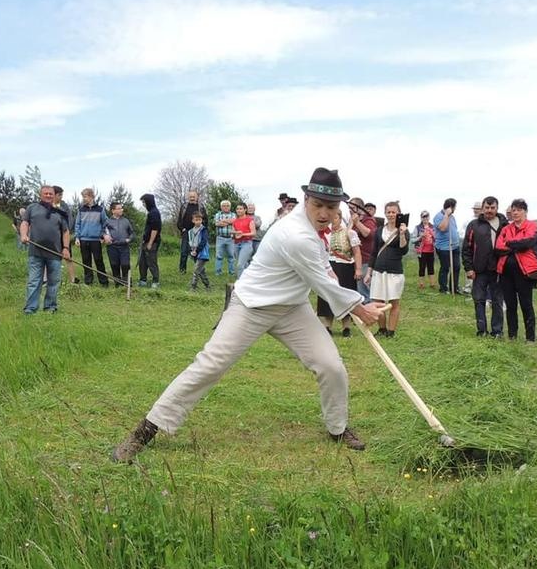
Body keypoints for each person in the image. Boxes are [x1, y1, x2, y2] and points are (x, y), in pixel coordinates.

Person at [112, 167, 386, 462]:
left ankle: (338, 427)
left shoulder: (319, 232)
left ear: (338, 208)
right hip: (251, 305)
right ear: (306, 200)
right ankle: (145, 431)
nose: (323, 213)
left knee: (331, 365)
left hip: (292, 307)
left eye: (330, 207)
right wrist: (360, 307)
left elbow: (324, 272)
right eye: (317, 205)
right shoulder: (295, 234)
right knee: (210, 365)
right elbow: (322, 284)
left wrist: (352, 297)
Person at [495, 198, 537, 342]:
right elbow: (498, 247)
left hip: (525, 272)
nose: (515, 213)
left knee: (526, 304)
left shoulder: (532, 226)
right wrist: (516, 245)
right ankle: (512, 336)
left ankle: (530, 338)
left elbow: (528, 242)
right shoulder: (505, 229)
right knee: (510, 305)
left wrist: (509, 243)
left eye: (519, 210)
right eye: (513, 210)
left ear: (525, 212)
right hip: (506, 272)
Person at [19, 185, 70, 313]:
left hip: (55, 253)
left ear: (54, 196)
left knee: (53, 282)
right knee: (34, 281)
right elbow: (25, 223)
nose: (48, 195)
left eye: (50, 194)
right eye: (46, 193)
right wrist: (24, 235)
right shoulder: (32, 208)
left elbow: (65, 232)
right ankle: (30, 308)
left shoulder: (60, 212)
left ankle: (50, 307)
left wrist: (66, 248)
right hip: (36, 251)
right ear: (40, 195)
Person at [463, 196, 508, 338]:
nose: (489, 210)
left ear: (497, 208)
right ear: (482, 208)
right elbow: (467, 248)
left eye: (492, 208)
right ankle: (481, 330)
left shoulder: (504, 224)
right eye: (487, 208)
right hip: (479, 270)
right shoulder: (474, 225)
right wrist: (469, 268)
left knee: (497, 301)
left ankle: (497, 331)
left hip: (498, 269)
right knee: (479, 300)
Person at [368, 201, 410, 337]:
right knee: (377, 301)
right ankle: (382, 329)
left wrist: (402, 234)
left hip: (394, 271)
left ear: (398, 213)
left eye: (394, 212)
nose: (391, 214)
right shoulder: (380, 230)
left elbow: (404, 250)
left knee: (394, 302)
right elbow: (374, 252)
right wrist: (369, 272)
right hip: (379, 270)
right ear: (385, 213)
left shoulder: (403, 230)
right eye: (389, 212)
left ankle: (391, 331)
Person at [317, 210, 361, 337]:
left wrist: (358, 269)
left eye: (335, 218)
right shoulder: (324, 234)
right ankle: (327, 326)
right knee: (327, 296)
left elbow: (357, 252)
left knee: (346, 295)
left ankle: (346, 327)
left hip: (346, 267)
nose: (333, 220)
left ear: (340, 218)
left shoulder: (350, 233)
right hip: (329, 266)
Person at [74, 188, 109, 287]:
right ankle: (88, 282)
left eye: (85, 196)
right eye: (83, 197)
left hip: (96, 240)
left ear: (91, 196)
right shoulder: (81, 209)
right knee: (86, 261)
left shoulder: (100, 209)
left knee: (98, 260)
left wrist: (102, 235)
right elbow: (77, 224)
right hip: (83, 239)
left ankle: (104, 282)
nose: (84, 199)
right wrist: (77, 237)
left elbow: (105, 223)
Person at [349, 196, 377, 302]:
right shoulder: (350, 220)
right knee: (357, 289)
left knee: (364, 290)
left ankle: (370, 311)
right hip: (354, 260)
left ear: (359, 208)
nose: (349, 210)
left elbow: (368, 234)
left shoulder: (368, 220)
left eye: (352, 207)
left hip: (365, 260)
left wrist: (357, 223)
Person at [433, 198, 461, 294]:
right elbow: (443, 228)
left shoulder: (452, 217)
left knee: (456, 267)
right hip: (444, 247)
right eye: (454, 207)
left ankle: (454, 288)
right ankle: (443, 288)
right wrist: (446, 215)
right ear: (451, 207)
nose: (455, 209)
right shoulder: (438, 216)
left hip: (455, 246)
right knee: (445, 267)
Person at [103, 202, 134, 286]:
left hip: (124, 247)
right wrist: (104, 236)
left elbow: (132, 233)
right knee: (114, 265)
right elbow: (101, 232)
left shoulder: (126, 221)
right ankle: (118, 284)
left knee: (125, 265)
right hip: (112, 247)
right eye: (119, 208)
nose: (121, 210)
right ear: (113, 210)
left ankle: (127, 283)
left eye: (121, 208)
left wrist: (129, 239)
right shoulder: (107, 222)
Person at [176, 190, 206, 273]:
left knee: (197, 251)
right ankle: (182, 270)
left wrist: (203, 230)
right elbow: (179, 220)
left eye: (194, 196)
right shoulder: (184, 206)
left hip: (198, 232)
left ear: (197, 197)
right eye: (190, 196)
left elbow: (205, 220)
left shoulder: (201, 207)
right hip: (186, 232)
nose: (192, 198)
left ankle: (199, 270)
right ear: (188, 197)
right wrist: (182, 229)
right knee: (184, 252)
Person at [52, 186, 77, 284]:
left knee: (68, 257)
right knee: (52, 258)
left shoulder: (64, 206)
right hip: (52, 237)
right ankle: (52, 280)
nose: (61, 197)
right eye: (59, 195)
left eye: (62, 195)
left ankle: (73, 280)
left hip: (64, 236)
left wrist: (67, 231)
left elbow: (70, 219)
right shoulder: (46, 206)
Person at [138, 193, 162, 288]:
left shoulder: (154, 213)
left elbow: (155, 229)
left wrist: (150, 243)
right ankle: (143, 280)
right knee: (142, 261)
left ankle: (155, 281)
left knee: (151, 262)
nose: (143, 204)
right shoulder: (150, 212)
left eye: (144, 202)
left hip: (152, 242)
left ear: (149, 202)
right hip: (145, 241)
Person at [411, 211, 436, 291]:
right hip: (421, 251)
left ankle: (432, 284)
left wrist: (433, 234)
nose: (425, 218)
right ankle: (421, 284)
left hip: (431, 250)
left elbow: (437, 238)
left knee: (431, 267)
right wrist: (420, 237)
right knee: (422, 267)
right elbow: (412, 240)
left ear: (429, 217)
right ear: (421, 218)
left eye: (426, 216)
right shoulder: (417, 227)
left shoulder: (433, 227)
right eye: (423, 217)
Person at [232, 203, 256, 278]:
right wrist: (234, 234)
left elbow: (253, 233)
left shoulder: (250, 220)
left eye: (240, 209)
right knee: (244, 264)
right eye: (237, 209)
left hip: (246, 244)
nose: (238, 210)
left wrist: (243, 234)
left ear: (245, 210)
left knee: (240, 265)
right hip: (236, 244)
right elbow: (233, 233)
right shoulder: (235, 221)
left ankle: (240, 284)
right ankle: (251, 277)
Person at [188, 212, 210, 290]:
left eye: (199, 220)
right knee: (201, 271)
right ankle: (207, 285)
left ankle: (193, 287)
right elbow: (190, 242)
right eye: (196, 220)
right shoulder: (190, 231)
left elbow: (204, 241)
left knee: (196, 270)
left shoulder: (204, 230)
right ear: (193, 221)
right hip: (194, 253)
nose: (198, 221)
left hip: (202, 253)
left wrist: (197, 250)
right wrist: (192, 251)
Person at [213, 200, 236, 276]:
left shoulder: (233, 214)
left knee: (231, 256)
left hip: (231, 238)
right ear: (221, 207)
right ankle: (218, 273)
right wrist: (228, 222)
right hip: (220, 238)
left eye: (227, 206)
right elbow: (217, 223)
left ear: (230, 207)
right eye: (224, 206)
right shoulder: (218, 214)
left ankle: (231, 273)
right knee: (219, 256)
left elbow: (234, 221)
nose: (225, 207)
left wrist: (223, 221)